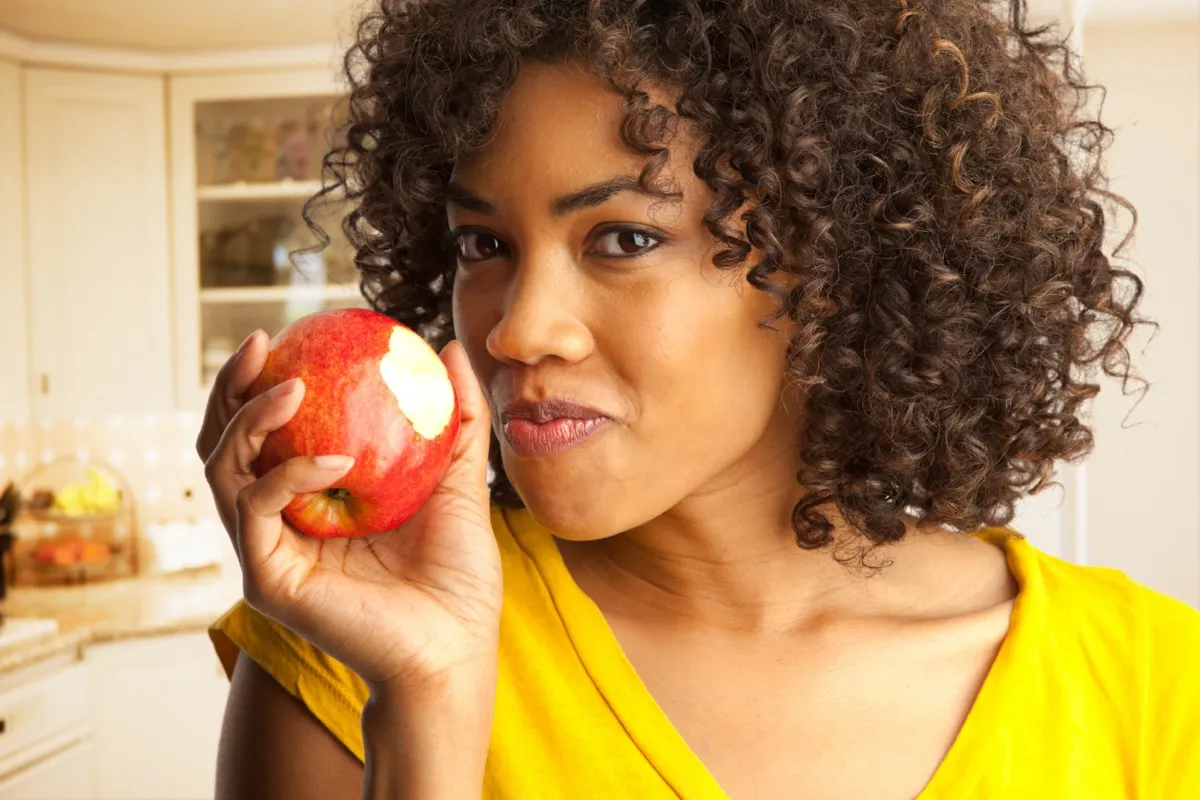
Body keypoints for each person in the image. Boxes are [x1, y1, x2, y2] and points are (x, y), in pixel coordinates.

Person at [200, 1, 1200, 797]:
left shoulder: (1152, 683)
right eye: (483, 245)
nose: (514, 329)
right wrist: (424, 706)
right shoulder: (354, 647)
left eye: (625, 238)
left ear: (833, 263)